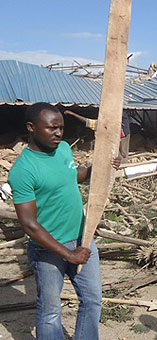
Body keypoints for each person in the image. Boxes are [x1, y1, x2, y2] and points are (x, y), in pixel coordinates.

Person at [8, 103, 120, 340]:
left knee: (92, 301)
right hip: (48, 251)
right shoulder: (24, 169)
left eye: (61, 128)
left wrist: (100, 168)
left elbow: (73, 175)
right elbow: (28, 224)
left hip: (83, 238)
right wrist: (68, 255)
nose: (58, 133)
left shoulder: (63, 150)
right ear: (31, 128)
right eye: (52, 128)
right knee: (50, 311)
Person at [64, 109, 131, 163]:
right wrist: (72, 114)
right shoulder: (101, 123)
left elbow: (119, 140)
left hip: (116, 148)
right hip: (107, 156)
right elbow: (88, 121)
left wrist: (121, 151)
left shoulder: (114, 125)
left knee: (119, 159)